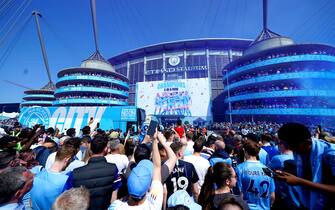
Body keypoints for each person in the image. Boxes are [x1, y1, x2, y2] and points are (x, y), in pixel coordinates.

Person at [277, 123, 335, 210]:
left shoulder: (330, 155)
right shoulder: (301, 151)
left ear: (306, 142)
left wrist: (299, 181)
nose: (292, 150)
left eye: (293, 146)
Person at [109, 130, 163, 209]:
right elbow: (157, 167)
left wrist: (143, 142)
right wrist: (154, 141)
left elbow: (132, 161)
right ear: (148, 187)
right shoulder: (154, 204)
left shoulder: (115, 206)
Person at [30, 145, 76, 210]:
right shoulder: (65, 181)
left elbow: (31, 203)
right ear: (67, 159)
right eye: (71, 161)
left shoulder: (37, 175)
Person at [235, 140, 275, 210]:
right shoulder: (267, 170)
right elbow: (272, 196)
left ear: (245, 151)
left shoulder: (240, 168)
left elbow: (239, 193)